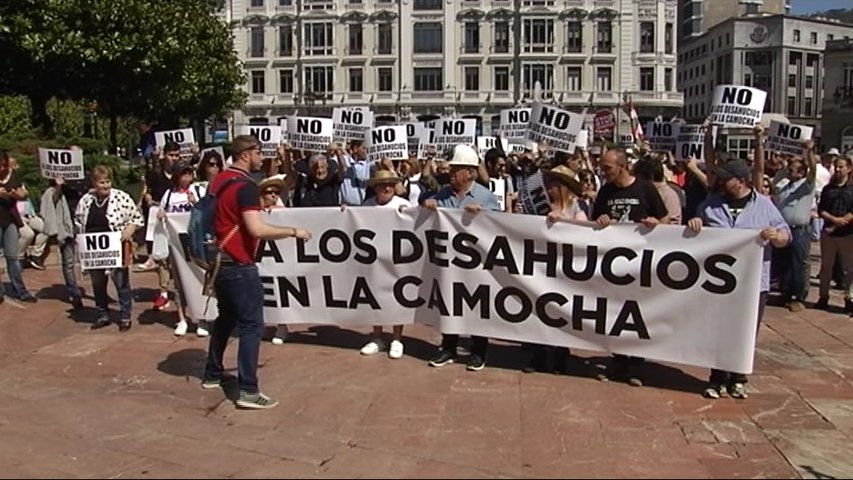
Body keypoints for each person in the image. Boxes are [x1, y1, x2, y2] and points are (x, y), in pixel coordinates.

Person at [201, 135, 313, 410]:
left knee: (226, 318)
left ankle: (212, 374)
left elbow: (227, 216)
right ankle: (248, 390)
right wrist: (293, 232)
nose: (262, 157)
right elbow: (257, 230)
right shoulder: (246, 187)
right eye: (259, 152)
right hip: (238, 262)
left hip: (219, 259)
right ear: (245, 154)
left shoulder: (218, 180)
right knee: (252, 325)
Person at [688, 159, 791, 399]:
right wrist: (695, 223)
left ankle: (738, 378)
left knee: (745, 332)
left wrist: (776, 236)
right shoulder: (711, 204)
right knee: (719, 330)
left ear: (741, 181)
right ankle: (717, 378)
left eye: (726, 179)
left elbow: (786, 235)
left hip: (754, 282)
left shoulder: (764, 205)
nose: (721, 183)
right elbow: (696, 227)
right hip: (719, 283)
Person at [592, 149, 668, 386]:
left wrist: (655, 224)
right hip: (613, 265)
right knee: (615, 314)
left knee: (636, 314)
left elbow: (665, 218)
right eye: (602, 168)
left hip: (639, 265)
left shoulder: (645, 188)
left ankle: (635, 364)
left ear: (622, 166)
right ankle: (618, 360)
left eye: (608, 168)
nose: (603, 173)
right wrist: (601, 221)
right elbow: (595, 221)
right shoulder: (606, 191)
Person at [423, 144, 501, 371]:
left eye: (456, 169)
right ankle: (448, 347)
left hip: (476, 264)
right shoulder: (443, 194)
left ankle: (478, 351)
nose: (450, 172)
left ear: (469, 172)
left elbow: (502, 224)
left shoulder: (485, 196)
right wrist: (428, 205)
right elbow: (427, 212)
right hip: (449, 263)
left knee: (477, 303)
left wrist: (485, 214)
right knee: (449, 303)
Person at [523, 165, 588, 374]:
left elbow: (584, 230)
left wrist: (562, 221)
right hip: (542, 266)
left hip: (566, 269)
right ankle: (538, 355)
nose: (548, 187)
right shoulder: (540, 205)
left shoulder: (577, 206)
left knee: (561, 312)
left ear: (563, 187)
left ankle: (560, 355)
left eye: (553, 183)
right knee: (539, 310)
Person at [75, 166, 144, 331]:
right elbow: (78, 221)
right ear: (94, 183)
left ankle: (125, 316)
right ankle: (102, 315)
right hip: (94, 248)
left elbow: (137, 217)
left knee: (121, 283)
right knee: (98, 284)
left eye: (108, 182)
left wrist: (130, 229)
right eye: (102, 182)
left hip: (115, 246)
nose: (105, 186)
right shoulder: (86, 200)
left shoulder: (121, 197)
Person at [358, 170, 412, 359]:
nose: (387, 188)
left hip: (398, 260)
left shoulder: (404, 205)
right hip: (374, 260)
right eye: (382, 184)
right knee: (375, 297)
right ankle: (377, 337)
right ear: (375, 188)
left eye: (390, 184)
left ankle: (397, 338)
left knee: (398, 297)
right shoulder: (367, 206)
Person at [158, 160, 207, 336]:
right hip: (176, 245)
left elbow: (208, 212)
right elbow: (161, 213)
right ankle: (182, 319)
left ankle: (202, 319)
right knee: (179, 283)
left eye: (189, 173)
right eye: (182, 174)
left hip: (196, 243)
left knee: (198, 279)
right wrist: (161, 214)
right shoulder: (169, 195)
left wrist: (196, 204)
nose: (186, 177)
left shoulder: (198, 191)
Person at [773, 142, 818, 312]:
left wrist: (809, 151)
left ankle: (799, 297)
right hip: (784, 230)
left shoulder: (806, 186)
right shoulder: (784, 186)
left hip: (799, 230)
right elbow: (774, 181)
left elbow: (813, 170)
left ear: (801, 173)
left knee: (798, 263)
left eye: (792, 170)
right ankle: (785, 292)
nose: (789, 172)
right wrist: (785, 165)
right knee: (783, 263)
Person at [815, 155, 853, 314]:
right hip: (829, 232)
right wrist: (834, 220)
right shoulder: (827, 189)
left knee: (849, 268)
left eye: (841, 167)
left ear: (849, 169)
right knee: (826, 267)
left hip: (848, 233)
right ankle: (823, 296)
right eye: (836, 166)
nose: (837, 169)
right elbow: (821, 209)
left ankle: (849, 298)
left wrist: (844, 220)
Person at [40, 177, 84, 309]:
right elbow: (51, 202)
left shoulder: (77, 186)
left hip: (80, 227)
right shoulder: (51, 191)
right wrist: (59, 187)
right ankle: (74, 294)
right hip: (65, 231)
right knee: (68, 263)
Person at [0, 151, 37, 304]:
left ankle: (21, 290)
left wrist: (14, 194)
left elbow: (22, 194)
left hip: (10, 220)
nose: (2, 168)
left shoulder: (12, 174)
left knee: (13, 257)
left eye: (4, 165)